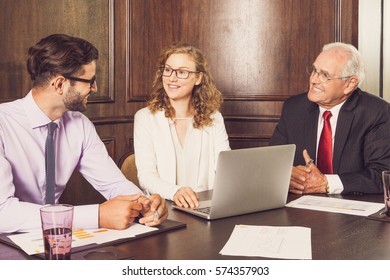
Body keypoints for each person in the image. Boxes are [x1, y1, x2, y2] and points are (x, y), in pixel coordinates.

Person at [0, 34, 168, 233]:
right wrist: (97, 215)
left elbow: (113, 183)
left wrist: (144, 203)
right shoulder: (3, 123)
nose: (95, 88)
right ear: (60, 84)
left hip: (56, 240)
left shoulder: (79, 124)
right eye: (90, 81)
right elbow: (3, 213)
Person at [270, 42, 390, 195]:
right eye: (315, 71)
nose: (313, 80)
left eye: (325, 75)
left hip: (352, 208)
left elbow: (383, 175)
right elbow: (272, 161)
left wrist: (327, 183)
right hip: (300, 207)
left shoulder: (376, 112)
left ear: (349, 84)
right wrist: (287, 173)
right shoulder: (294, 108)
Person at [134, 43, 230, 208]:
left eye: (182, 72)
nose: (172, 78)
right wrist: (175, 191)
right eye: (168, 70)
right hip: (165, 210)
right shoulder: (145, 118)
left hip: (205, 208)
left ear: (198, 78)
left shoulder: (214, 118)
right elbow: (146, 175)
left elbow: (225, 169)